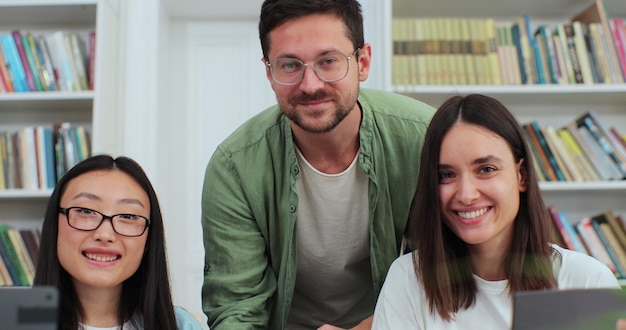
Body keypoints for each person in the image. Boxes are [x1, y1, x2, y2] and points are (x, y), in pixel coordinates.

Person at [200, 0, 435, 329]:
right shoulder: (234, 168)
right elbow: (236, 308)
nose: (310, 85)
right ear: (269, 72)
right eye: (290, 65)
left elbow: (449, 274)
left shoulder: (425, 139)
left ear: (363, 62)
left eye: (329, 61)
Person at [371, 94, 621, 329]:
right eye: (446, 175)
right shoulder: (408, 279)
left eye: (486, 169)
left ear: (521, 175)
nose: (466, 194)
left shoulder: (587, 282)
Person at [33, 155, 203, 330]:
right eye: (85, 211)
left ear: (148, 240)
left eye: (128, 216)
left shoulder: (181, 325)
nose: (105, 234)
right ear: (54, 226)